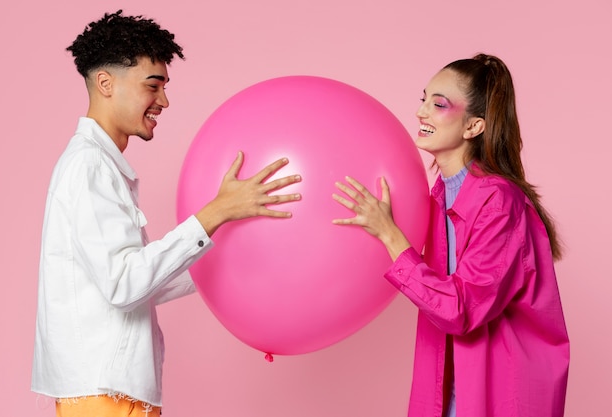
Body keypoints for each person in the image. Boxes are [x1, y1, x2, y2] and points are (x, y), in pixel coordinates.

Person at [31, 10, 302, 417]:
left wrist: (229, 249)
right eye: (152, 85)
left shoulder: (101, 166)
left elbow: (141, 288)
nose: (164, 101)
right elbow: (124, 285)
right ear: (106, 84)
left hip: (115, 392)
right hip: (104, 396)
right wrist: (214, 213)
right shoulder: (88, 166)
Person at [332, 54, 569, 417]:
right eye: (423, 99)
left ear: (474, 127)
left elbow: (460, 309)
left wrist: (390, 234)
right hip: (449, 393)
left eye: (438, 104)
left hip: (500, 395)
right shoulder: (437, 196)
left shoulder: (499, 202)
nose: (421, 112)